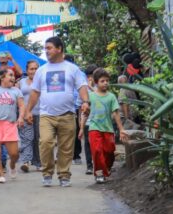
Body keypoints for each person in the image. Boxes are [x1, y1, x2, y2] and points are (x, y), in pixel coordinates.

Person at [24, 37, 89, 187]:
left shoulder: (72, 69)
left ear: (59, 49)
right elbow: (35, 92)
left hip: (67, 114)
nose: (46, 51)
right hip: (46, 115)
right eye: (45, 48)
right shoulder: (42, 70)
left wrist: (85, 101)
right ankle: (47, 173)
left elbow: (82, 86)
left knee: (66, 148)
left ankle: (64, 175)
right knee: (45, 143)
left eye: (49, 48)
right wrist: (27, 111)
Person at [79, 68, 129, 183]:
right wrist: (81, 128)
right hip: (94, 128)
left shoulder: (111, 97)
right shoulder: (90, 96)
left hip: (108, 128)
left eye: (107, 80)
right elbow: (85, 114)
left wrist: (121, 129)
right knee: (96, 151)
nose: (105, 83)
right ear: (96, 82)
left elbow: (116, 113)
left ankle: (107, 168)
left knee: (109, 151)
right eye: (102, 81)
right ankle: (99, 173)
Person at [17, 59, 40, 173]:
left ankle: (38, 163)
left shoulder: (42, 82)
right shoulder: (21, 82)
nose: (34, 71)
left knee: (38, 139)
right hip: (25, 114)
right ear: (27, 70)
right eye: (31, 69)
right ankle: (25, 162)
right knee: (27, 138)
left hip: (40, 114)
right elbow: (17, 97)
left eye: (36, 68)